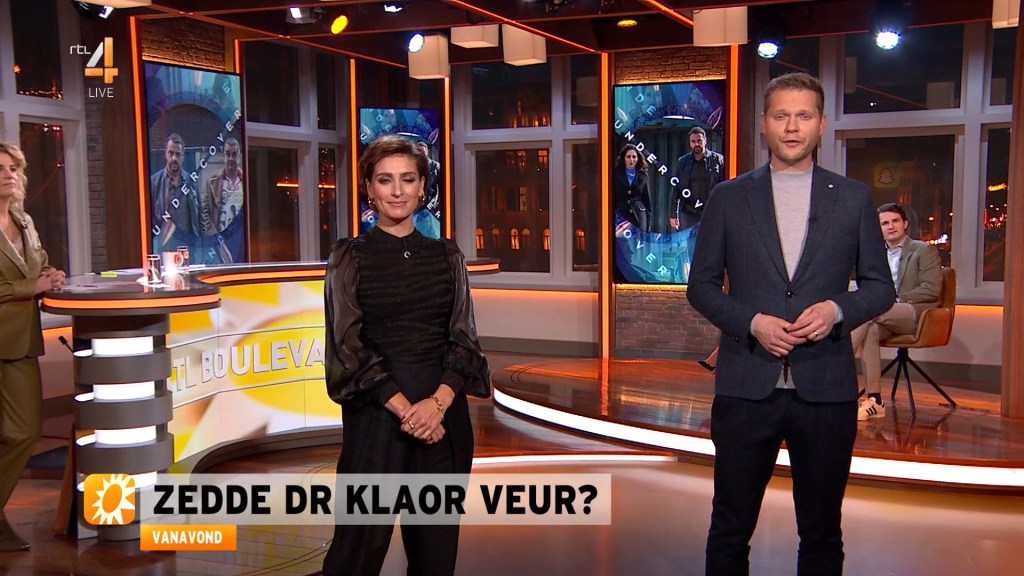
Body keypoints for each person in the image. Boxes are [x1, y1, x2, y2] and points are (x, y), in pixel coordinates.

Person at [686, 73, 894, 576]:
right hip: (745, 386)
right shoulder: (729, 197)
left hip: (825, 389)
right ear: (763, 123)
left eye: (804, 116)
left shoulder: (853, 198)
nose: (792, 127)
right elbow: (701, 286)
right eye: (781, 115)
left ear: (821, 124)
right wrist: (752, 321)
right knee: (729, 529)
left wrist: (835, 311)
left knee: (821, 533)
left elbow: (879, 288)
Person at [321, 135, 490, 576]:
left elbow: (464, 340)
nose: (397, 190)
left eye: (408, 179)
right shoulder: (349, 256)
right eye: (385, 180)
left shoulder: (446, 255)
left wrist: (436, 405)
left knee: (436, 555)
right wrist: (407, 411)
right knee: (356, 553)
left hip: (443, 420)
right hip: (378, 419)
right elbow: (347, 347)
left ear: (422, 187)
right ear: (369, 188)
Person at [0, 142, 66, 552]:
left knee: (23, 431)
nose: (9, 174)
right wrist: (31, 286)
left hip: (20, 341)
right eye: (0, 168)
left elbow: (37, 262)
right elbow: (23, 282)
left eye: (13, 168)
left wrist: (50, 274)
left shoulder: (23, 220)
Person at [850, 203, 941, 420]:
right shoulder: (875, 255)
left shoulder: (923, 250)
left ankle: (836, 362)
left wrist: (895, 299)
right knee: (870, 330)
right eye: (884, 223)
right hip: (884, 315)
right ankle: (875, 400)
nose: (890, 226)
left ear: (905, 224)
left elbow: (932, 289)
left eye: (895, 221)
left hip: (913, 312)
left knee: (869, 312)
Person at [151, 133, 200, 253]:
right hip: (163, 248)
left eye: (178, 154)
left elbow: (199, 218)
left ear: (183, 156)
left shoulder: (191, 182)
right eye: (171, 153)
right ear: (165, 154)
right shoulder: (154, 182)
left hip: (187, 249)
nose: (174, 158)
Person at [671, 126, 725, 230]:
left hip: (712, 210)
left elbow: (725, 186)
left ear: (705, 141)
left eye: (699, 141)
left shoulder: (718, 160)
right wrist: (673, 213)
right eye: (693, 141)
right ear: (690, 143)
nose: (696, 144)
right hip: (689, 212)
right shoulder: (683, 162)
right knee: (691, 239)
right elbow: (676, 188)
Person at [613, 143, 652, 232]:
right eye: (628, 157)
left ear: (638, 159)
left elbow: (647, 200)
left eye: (634, 157)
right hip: (621, 215)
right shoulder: (616, 173)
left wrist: (648, 224)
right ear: (624, 158)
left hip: (639, 216)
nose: (631, 159)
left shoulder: (643, 175)